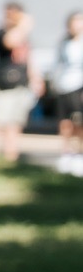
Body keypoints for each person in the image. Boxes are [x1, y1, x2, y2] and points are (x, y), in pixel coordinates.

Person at [0, 2, 40, 164]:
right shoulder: (2, 32)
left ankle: (11, 158)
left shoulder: (24, 36)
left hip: (20, 85)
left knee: (14, 124)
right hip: (3, 85)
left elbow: (28, 58)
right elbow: (10, 42)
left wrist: (36, 78)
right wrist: (24, 26)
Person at [51, 11, 83, 167]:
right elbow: (57, 64)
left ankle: (79, 153)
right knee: (65, 122)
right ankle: (66, 153)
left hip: (79, 87)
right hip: (64, 87)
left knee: (78, 121)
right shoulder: (64, 43)